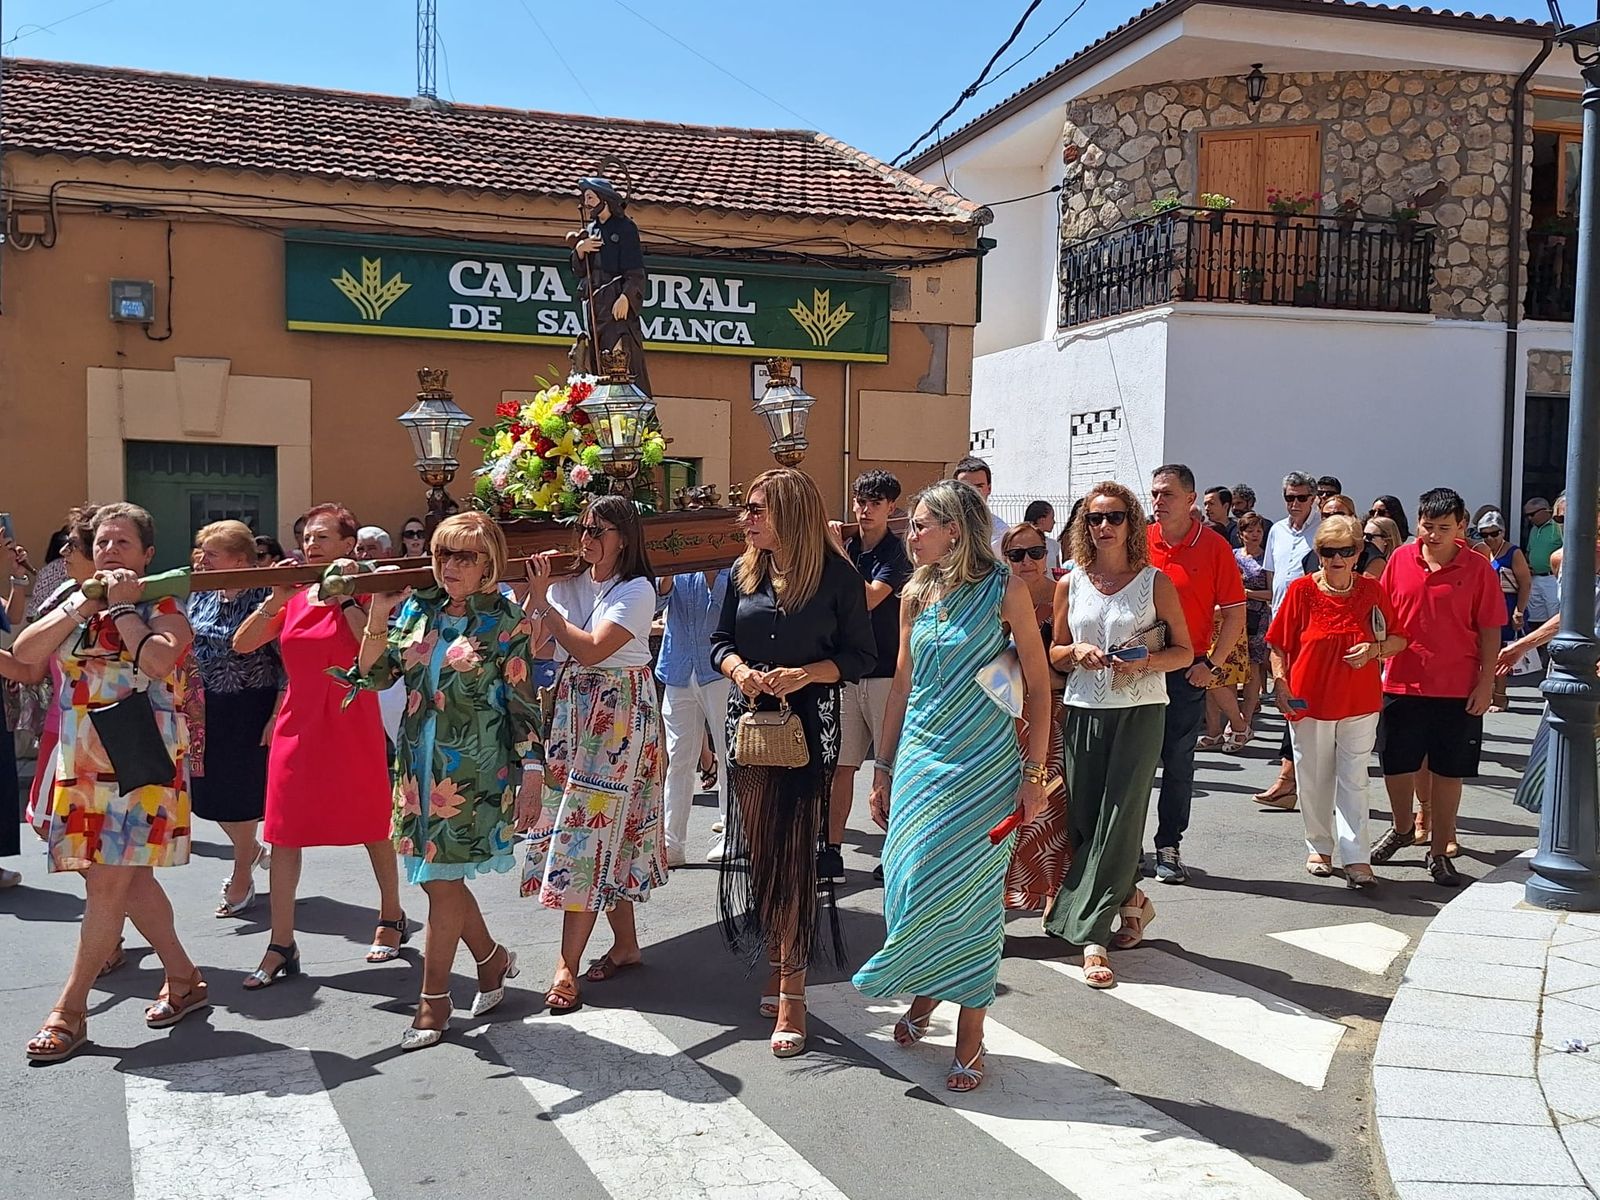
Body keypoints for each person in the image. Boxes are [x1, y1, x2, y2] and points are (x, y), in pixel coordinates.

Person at [853, 483, 1051, 1093]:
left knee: (972, 898)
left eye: (920, 525)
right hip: (920, 762)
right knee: (909, 884)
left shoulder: (1005, 590)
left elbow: (1037, 686)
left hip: (984, 768)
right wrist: (882, 767)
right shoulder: (915, 592)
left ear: (955, 531)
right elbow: (902, 686)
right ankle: (925, 990)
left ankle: (970, 1033)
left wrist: (1034, 775)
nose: (909, 535)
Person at [15, 504, 206, 1062]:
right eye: (101, 542)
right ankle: (185, 978)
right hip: (82, 761)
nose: (109, 551)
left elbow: (159, 661)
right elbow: (27, 654)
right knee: (130, 882)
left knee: (106, 884)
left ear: (147, 555)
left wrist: (123, 607)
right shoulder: (74, 601)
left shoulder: (163, 605)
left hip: (139, 761)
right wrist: (83, 604)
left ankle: (69, 1011)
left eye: (122, 543)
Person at [347, 513, 542, 1051]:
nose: (449, 565)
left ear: (488, 564)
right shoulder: (419, 609)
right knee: (441, 881)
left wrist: (532, 773)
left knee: (442, 880)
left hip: (473, 775)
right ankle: (492, 959)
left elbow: (523, 705)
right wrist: (378, 615)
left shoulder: (505, 622)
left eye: (464, 556)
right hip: (417, 771)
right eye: (442, 554)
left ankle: (434, 1001)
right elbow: (374, 676)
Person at [711, 468, 875, 1057]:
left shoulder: (837, 577)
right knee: (762, 852)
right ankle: (779, 955)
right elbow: (719, 642)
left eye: (758, 509)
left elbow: (860, 655)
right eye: (747, 508)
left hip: (810, 724)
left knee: (797, 854)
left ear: (791, 513)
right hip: (751, 724)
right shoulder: (743, 572)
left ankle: (792, 992)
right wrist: (739, 671)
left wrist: (805, 673)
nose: (746, 518)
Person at [232, 503, 404, 988]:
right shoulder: (295, 595)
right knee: (283, 831)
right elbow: (242, 644)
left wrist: (346, 597)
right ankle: (281, 943)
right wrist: (275, 599)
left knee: (372, 822)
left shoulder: (367, 590)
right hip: (299, 720)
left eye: (322, 537)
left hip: (352, 717)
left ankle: (391, 915)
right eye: (307, 537)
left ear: (349, 545)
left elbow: (374, 652)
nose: (311, 544)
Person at [1045, 482, 1193, 987]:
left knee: (1120, 821)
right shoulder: (1069, 583)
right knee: (1086, 821)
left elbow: (1184, 652)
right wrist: (1075, 653)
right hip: (1084, 709)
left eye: (1114, 517)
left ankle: (1092, 936)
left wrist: (1144, 661)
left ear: (1131, 523)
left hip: (1140, 710)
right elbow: (1055, 652)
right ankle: (1134, 901)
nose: (1103, 526)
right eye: (1094, 518)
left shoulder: (1155, 583)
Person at [521, 495, 666, 1013]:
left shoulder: (637, 588)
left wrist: (544, 602)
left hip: (619, 711)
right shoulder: (568, 583)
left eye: (598, 530)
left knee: (587, 831)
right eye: (582, 528)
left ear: (623, 538)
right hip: (573, 709)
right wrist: (534, 603)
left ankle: (566, 966)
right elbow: (538, 648)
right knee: (607, 831)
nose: (586, 538)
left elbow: (591, 648)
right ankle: (625, 945)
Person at [1369, 488, 1503, 887]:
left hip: (1457, 686)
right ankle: (1402, 827)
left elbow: (1490, 630)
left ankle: (1440, 849)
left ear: (1460, 526)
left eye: (1444, 528)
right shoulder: (1399, 558)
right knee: (1395, 765)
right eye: (1428, 526)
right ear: (1418, 522)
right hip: (1401, 680)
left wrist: (1487, 684)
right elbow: (1382, 614)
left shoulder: (1478, 567)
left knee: (1448, 771)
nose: (1434, 535)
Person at [1267, 516, 1407, 890]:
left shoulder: (1372, 591)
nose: (1337, 559)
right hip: (1308, 702)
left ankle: (1357, 857)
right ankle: (1319, 847)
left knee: (1354, 781)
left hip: (1359, 702)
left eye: (1345, 551)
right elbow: (1278, 644)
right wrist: (1280, 683)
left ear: (1358, 552)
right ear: (1319, 553)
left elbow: (1399, 639)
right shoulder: (1301, 591)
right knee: (1313, 779)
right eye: (1329, 552)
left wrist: (1374, 649)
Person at [1146, 464, 1247, 883]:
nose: (1158, 501)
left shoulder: (1214, 547)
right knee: (1134, 763)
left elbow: (1236, 613)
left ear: (1190, 499)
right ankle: (1126, 848)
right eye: (1155, 493)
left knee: (1177, 762)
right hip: (1138, 667)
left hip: (1187, 671)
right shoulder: (1139, 540)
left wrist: (1212, 665)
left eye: (1167, 493)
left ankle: (1168, 846)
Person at [188, 521, 280, 918]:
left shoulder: (266, 595)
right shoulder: (203, 592)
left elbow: (287, 661)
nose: (202, 560)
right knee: (207, 795)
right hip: (205, 706)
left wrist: (276, 714)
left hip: (251, 706)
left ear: (240, 560)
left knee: (241, 796)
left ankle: (242, 873)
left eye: (212, 554)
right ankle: (252, 849)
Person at [828, 469, 913, 883]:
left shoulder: (897, 553)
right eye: (860, 502)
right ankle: (830, 851)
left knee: (890, 766)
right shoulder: (847, 545)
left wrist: (837, 553)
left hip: (884, 674)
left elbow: (866, 598)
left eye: (874, 503)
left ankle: (894, 850)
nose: (864, 510)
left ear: (890, 507)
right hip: (847, 672)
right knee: (840, 767)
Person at [998, 522, 1070, 912]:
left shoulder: (1063, 595)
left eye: (1035, 553)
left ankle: (1054, 895)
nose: (1027, 561)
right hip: (1008, 716)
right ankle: (1009, 895)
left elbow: (1072, 663)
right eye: (1016, 555)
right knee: (1010, 803)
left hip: (1055, 713)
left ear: (1047, 554)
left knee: (1052, 808)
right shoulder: (997, 599)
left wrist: (1041, 677)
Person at [656, 564, 732, 867]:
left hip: (719, 668)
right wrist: (667, 572)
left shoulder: (725, 554)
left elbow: (728, 605)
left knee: (728, 755)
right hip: (678, 665)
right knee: (678, 759)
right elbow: (656, 603)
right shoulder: (673, 554)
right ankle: (671, 843)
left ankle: (732, 834)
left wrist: (710, 572)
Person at [1255, 471, 1322, 809]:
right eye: (1289, 497)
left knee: (1301, 701)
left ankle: (1289, 779)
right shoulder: (1277, 531)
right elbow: (1273, 579)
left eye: (1301, 497)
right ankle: (1292, 781)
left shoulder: (1323, 531)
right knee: (1289, 698)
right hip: (1282, 624)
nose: (1294, 503)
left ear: (1314, 499)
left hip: (1312, 626)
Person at [571, 176, 651, 394]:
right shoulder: (591, 230)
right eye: (585, 198)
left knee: (618, 353)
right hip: (594, 302)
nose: (586, 203)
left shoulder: (625, 228)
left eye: (590, 197)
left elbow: (635, 270)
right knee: (597, 354)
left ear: (604, 199)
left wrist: (626, 297)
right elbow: (580, 270)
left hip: (615, 298)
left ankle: (625, 399)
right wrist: (580, 250)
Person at [1472, 510, 1530, 712]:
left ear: (1503, 532)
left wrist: (1519, 610)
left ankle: (1500, 697)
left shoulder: (1513, 552)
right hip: (1485, 604)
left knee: (1500, 652)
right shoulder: (1480, 550)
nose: (1489, 538)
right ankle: (1489, 692)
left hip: (1507, 603)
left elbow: (1525, 583)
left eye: (1494, 533)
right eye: (1484, 534)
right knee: (1483, 650)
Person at [1524, 495, 1563, 633]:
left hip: (1551, 579)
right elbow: (1529, 551)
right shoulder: (1534, 529)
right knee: (1535, 618)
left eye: (1532, 514)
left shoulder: (1558, 527)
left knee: (1554, 617)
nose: (1529, 518)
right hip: (1535, 578)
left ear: (1546, 511)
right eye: (1527, 515)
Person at [953, 455, 1009, 548]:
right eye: (965, 487)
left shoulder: (1001, 534)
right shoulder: (941, 527)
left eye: (978, 487)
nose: (972, 493)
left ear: (989, 488)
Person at [1023, 499, 1064, 571]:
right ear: (1042, 520)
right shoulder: (1021, 543)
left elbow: (1057, 570)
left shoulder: (1053, 545)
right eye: (1052, 518)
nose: (1054, 522)